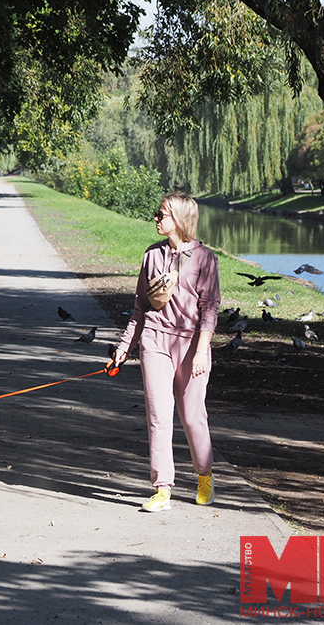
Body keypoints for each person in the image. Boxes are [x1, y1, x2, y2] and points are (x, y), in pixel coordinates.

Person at [111, 192, 221, 512]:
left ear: (180, 220)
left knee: (192, 417)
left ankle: (204, 476)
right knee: (159, 415)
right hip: (155, 341)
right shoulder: (151, 255)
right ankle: (162, 488)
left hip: (191, 346)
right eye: (157, 214)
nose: (156, 219)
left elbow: (210, 310)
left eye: (162, 214)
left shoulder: (206, 259)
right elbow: (140, 308)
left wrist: (201, 351)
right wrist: (123, 348)